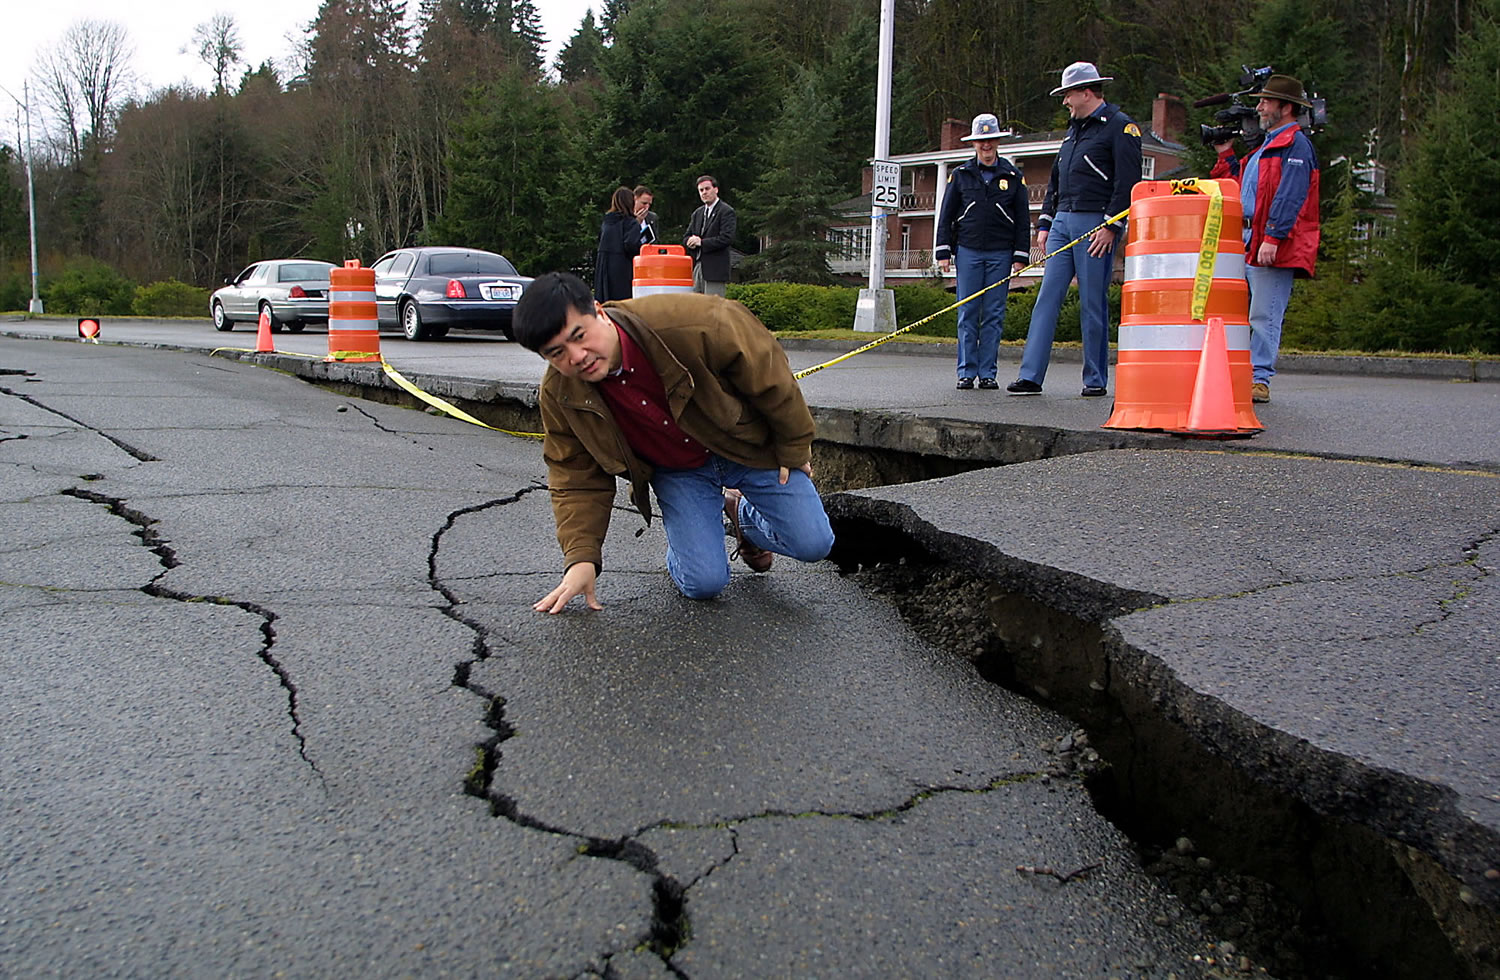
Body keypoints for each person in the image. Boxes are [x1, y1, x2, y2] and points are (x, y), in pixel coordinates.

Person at [512, 272, 835, 613]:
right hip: (678, 471)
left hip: (743, 445)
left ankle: (743, 519)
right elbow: (574, 475)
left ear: (598, 311)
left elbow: (768, 368)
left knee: (814, 543)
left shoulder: (689, 323)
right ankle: (691, 548)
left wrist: (794, 444)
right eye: (557, 353)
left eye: (579, 336)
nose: (576, 357)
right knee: (704, 583)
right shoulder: (561, 394)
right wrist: (581, 560)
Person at [1009, 61, 1141, 398]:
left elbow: (1128, 182)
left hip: (1095, 223)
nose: (1065, 101)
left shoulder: (1120, 128)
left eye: (1068, 94)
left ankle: (1095, 378)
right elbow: (1057, 180)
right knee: (1046, 298)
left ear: (1087, 92)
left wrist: (1113, 225)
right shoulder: (1074, 131)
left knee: (1092, 301)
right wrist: (1046, 221)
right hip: (1063, 223)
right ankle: (1030, 375)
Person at [1211, 74, 1320, 404]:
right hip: (1247, 237)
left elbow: (1290, 195)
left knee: (1264, 312)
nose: (1259, 107)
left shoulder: (1295, 145)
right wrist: (1226, 155)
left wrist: (1273, 236)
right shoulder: (1267, 146)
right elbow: (1240, 186)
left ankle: (1259, 379)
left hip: (1266, 239)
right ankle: (1242, 373)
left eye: (1266, 102)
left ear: (1286, 108)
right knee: (1241, 310)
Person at [934, 113, 1030, 391]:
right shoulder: (961, 175)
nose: (986, 146)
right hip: (968, 252)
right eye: (981, 141)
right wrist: (944, 251)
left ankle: (988, 372)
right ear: (974, 144)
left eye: (990, 140)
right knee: (968, 311)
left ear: (997, 141)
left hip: (1000, 253)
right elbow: (947, 215)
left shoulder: (1013, 176)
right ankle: (966, 372)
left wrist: (1020, 255)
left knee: (994, 314)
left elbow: (1023, 220)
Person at [684, 175, 737, 295]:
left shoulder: (726, 211)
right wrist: (690, 241)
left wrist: (701, 243)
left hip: (715, 271)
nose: (704, 193)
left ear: (716, 189)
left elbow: (726, 238)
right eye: (701, 190)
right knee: (696, 307)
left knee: (713, 309)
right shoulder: (697, 213)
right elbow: (686, 237)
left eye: (707, 189)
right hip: (697, 268)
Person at [593, 186, 643, 303]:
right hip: (621, 267)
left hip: (604, 265)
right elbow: (631, 245)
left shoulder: (607, 221)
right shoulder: (631, 223)